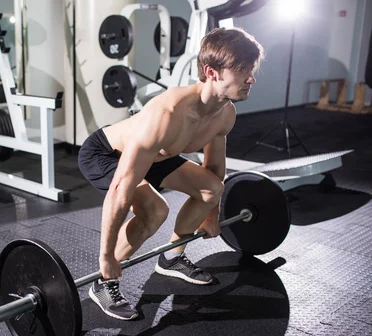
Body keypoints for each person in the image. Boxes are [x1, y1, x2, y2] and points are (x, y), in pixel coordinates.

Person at [77, 27, 264, 320]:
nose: (251, 78)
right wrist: (106, 256)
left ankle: (172, 258)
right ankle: (104, 282)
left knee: (211, 188)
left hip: (159, 155)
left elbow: (215, 169)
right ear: (211, 72)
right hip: (106, 154)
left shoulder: (225, 113)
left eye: (251, 69)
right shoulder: (167, 113)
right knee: (155, 210)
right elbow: (120, 190)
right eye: (242, 70)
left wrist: (212, 214)